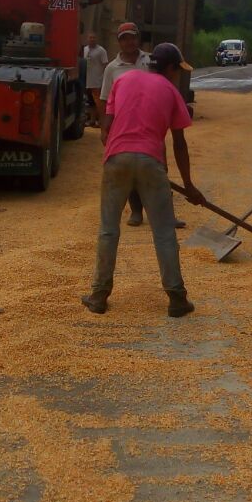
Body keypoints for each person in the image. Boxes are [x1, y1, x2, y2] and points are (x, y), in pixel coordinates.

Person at [84, 43, 205, 319]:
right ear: (171, 68)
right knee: (163, 232)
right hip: (151, 161)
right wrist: (188, 185)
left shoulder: (123, 79)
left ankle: (98, 295)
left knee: (108, 230)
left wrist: (118, 152)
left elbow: (107, 126)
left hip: (116, 158)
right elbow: (179, 144)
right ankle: (176, 298)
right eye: (179, 71)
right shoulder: (172, 92)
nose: (179, 76)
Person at [98, 23, 153, 227]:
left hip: (149, 124)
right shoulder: (112, 68)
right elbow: (105, 99)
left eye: (132, 37)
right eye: (124, 38)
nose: (129, 42)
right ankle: (136, 211)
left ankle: (164, 213)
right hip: (124, 126)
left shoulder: (150, 60)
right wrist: (105, 128)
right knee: (131, 170)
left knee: (157, 167)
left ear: (138, 38)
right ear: (119, 41)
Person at [81, 33, 109, 124]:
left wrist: (103, 78)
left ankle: (100, 120)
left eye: (93, 38)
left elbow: (105, 64)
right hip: (87, 81)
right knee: (90, 102)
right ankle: (92, 120)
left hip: (97, 81)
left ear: (96, 39)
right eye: (90, 38)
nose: (92, 39)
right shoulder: (84, 50)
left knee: (99, 102)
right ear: (87, 39)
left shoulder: (101, 51)